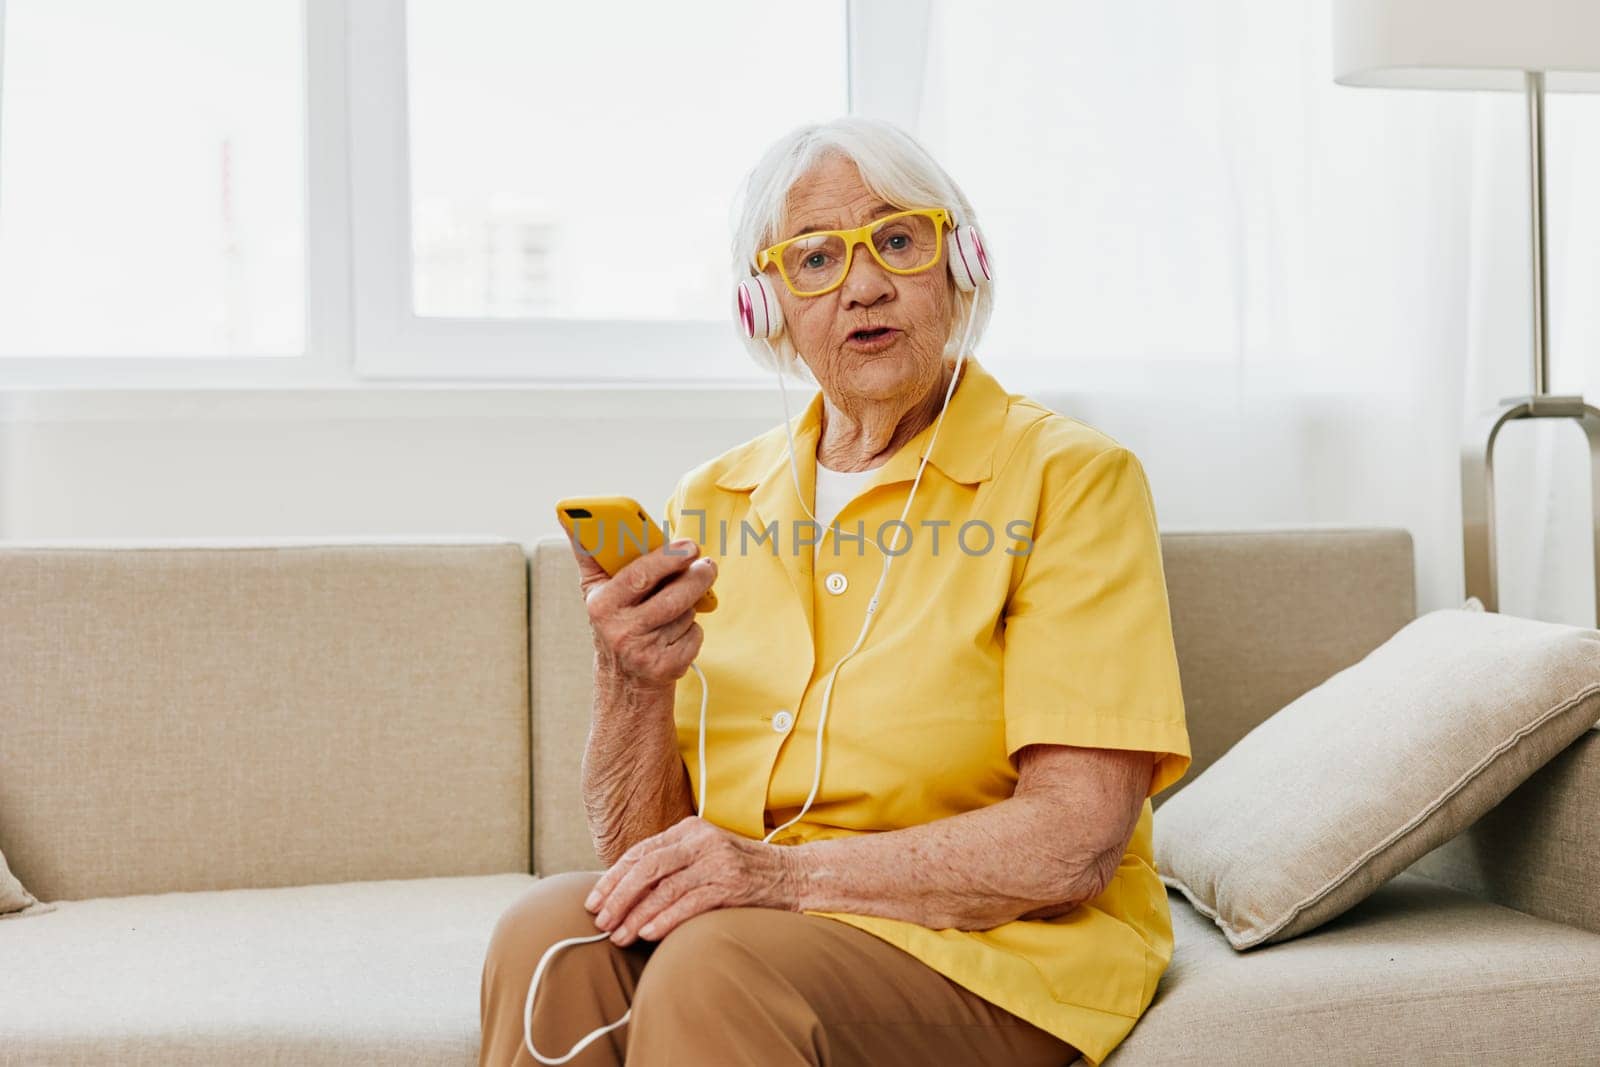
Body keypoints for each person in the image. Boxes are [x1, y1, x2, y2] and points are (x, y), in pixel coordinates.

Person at [480, 116, 1191, 1067]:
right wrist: (632, 683)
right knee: (544, 938)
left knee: (714, 961)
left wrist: (779, 877)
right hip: (756, 929)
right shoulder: (715, 499)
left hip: (999, 950)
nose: (864, 285)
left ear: (961, 262)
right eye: (814, 259)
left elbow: (1074, 841)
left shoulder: (1073, 479)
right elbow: (645, 853)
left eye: (899, 241)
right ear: (765, 307)